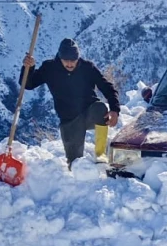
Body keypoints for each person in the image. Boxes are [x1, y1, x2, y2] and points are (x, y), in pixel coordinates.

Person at [21, 38, 121, 169]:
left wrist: (114, 109)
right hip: (69, 120)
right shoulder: (49, 68)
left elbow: (107, 87)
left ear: (78, 58)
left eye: (73, 60)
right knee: (75, 164)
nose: (69, 64)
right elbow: (28, 84)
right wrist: (28, 67)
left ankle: (100, 154)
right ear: (59, 58)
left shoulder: (87, 67)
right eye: (65, 60)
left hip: (89, 113)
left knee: (100, 108)